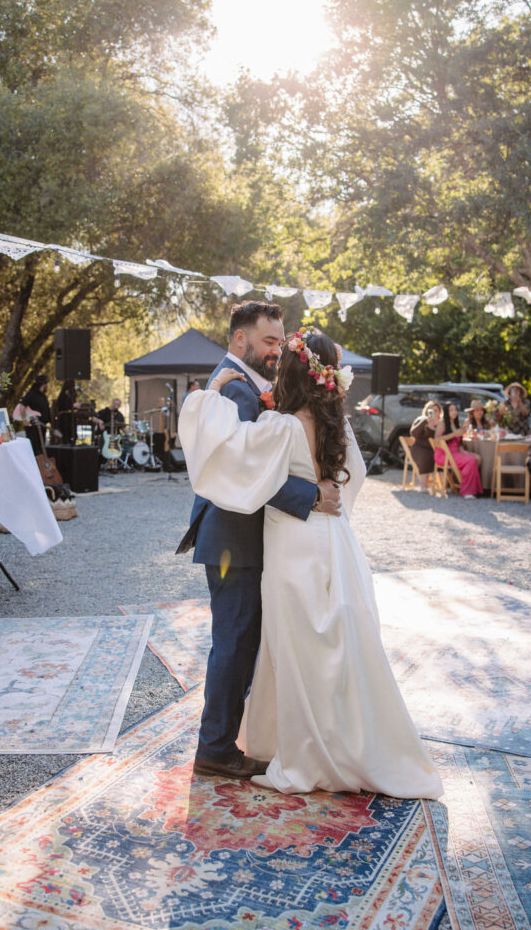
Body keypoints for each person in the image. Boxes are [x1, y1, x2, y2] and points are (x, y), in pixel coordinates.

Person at [179, 328, 442, 799]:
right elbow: (352, 480)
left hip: (292, 548)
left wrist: (209, 397)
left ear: (297, 372)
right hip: (334, 542)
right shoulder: (338, 425)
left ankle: (306, 752)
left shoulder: (279, 425)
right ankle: (351, 743)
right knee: (338, 646)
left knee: (294, 651)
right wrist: (325, 503)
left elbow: (235, 460)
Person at [176, 302, 342, 781]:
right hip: (234, 538)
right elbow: (245, 470)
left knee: (242, 642)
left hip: (243, 536)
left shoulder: (247, 385)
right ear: (239, 340)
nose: (278, 349)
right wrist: (310, 496)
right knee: (234, 642)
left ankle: (225, 740)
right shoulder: (232, 389)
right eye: (269, 341)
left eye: (280, 340)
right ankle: (215, 749)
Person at [433, 400, 483, 498]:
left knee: (477, 458)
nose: (454, 412)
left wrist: (463, 430)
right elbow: (436, 440)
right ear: (446, 412)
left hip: (455, 452)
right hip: (444, 454)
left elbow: (457, 441)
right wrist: (454, 434)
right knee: (471, 460)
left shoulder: (455, 423)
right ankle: (467, 491)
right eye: (451, 410)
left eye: (455, 409)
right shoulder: (442, 423)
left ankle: (469, 484)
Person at [409, 400, 442, 491]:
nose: (434, 413)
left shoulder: (441, 423)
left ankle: (444, 485)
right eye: (431, 410)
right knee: (426, 456)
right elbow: (413, 433)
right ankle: (424, 485)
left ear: (440, 412)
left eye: (436, 410)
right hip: (420, 448)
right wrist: (426, 421)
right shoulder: (421, 420)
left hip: (436, 449)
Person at [17, 374, 51, 455]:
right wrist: (24, 420)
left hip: (42, 426)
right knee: (34, 449)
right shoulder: (31, 394)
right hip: (33, 427)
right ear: (43, 384)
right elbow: (22, 406)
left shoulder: (43, 396)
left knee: (41, 449)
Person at [54, 379, 77, 444]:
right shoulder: (62, 397)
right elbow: (64, 407)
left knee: (73, 436)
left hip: (71, 419)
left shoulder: (71, 396)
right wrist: (73, 406)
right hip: (64, 419)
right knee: (65, 437)